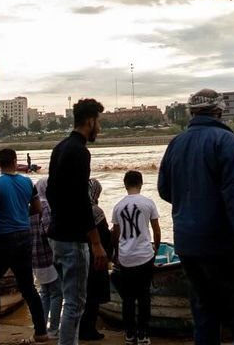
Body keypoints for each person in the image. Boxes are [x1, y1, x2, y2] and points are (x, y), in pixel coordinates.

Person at [157, 89, 234, 345]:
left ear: (192, 113)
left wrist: (192, 203)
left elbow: (164, 190)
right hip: (222, 245)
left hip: (188, 246)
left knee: (205, 311)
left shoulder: (176, 143)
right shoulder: (225, 141)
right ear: (219, 112)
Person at [46, 98, 108, 345]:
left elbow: (51, 192)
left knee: (67, 299)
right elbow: (82, 200)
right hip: (73, 239)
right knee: (75, 302)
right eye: (99, 121)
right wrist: (95, 241)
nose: (99, 128)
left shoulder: (59, 147)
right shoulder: (80, 151)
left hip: (56, 235)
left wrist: (60, 218)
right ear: (90, 120)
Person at [0, 148, 49, 343]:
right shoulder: (27, 182)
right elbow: (37, 208)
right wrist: (21, 215)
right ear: (15, 161)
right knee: (28, 287)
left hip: (4, 237)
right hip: (24, 236)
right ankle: (41, 332)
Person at [110, 170, 161, 345]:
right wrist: (155, 250)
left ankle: (129, 334)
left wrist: (117, 255)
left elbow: (115, 235)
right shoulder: (148, 203)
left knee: (128, 298)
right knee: (144, 295)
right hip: (145, 256)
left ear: (125, 185)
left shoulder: (117, 206)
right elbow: (156, 230)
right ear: (141, 183)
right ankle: (144, 334)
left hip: (126, 257)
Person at [79, 179, 112, 341]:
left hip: (80, 258)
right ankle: (89, 330)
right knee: (93, 297)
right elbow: (104, 237)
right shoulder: (96, 211)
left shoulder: (75, 209)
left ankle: (79, 328)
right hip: (95, 260)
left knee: (82, 296)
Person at [30, 177, 62, 339]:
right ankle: (54, 330)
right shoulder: (46, 207)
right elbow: (49, 232)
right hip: (48, 257)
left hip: (35, 258)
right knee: (57, 293)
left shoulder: (31, 207)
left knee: (45, 293)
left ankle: (41, 328)